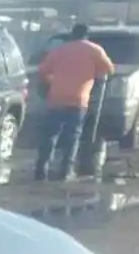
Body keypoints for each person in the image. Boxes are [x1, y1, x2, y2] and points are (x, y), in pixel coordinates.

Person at [33, 23, 115, 180]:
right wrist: (95, 73)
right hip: (78, 99)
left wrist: (49, 83)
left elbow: (43, 70)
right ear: (87, 35)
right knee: (73, 135)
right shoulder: (94, 50)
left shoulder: (60, 50)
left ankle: (41, 168)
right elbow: (109, 69)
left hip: (56, 98)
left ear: (72, 34)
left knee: (51, 134)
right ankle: (65, 170)